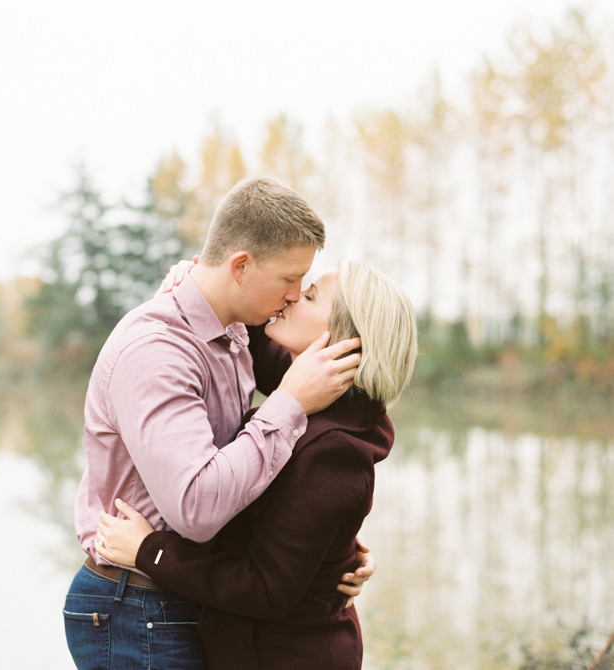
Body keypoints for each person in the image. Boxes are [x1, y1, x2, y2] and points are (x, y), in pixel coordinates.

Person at [64, 176, 372, 670]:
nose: (294, 295)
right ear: (241, 266)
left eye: (305, 286)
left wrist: (334, 550)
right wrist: (287, 401)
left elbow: (332, 435)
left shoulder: (235, 331)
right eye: (290, 279)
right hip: (137, 604)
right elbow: (197, 507)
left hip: (184, 597)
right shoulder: (157, 352)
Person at [95, 259, 418, 670]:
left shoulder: (335, 450)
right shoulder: (324, 395)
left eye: (311, 295)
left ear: (340, 339)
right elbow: (247, 324)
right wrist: (198, 279)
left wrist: (149, 551)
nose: (294, 295)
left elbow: (266, 588)